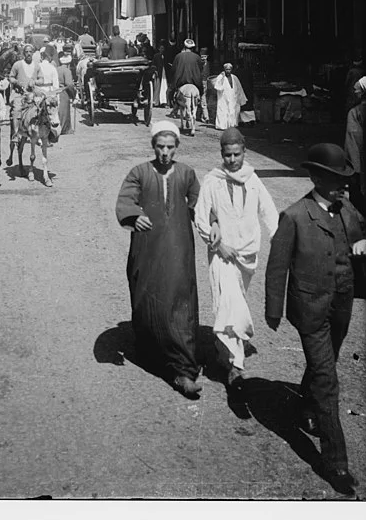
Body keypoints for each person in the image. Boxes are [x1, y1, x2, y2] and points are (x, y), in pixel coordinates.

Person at [265, 143, 366, 496]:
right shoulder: (295, 216)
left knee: (325, 362)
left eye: (345, 179)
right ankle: (336, 462)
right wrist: (273, 309)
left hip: (340, 305)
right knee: (327, 377)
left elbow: (361, 232)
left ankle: (307, 407)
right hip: (309, 308)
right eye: (337, 179)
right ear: (315, 178)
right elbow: (277, 266)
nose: (344, 185)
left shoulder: (346, 210)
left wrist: (363, 241)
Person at [114, 120, 204, 398]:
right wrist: (133, 214)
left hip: (179, 249)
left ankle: (184, 370)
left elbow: (200, 205)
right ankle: (153, 353)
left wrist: (213, 226)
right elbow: (126, 199)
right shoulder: (140, 172)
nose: (165, 152)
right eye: (160, 147)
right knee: (147, 297)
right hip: (148, 249)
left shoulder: (187, 173)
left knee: (180, 301)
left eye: (170, 147)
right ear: (153, 146)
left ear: (177, 147)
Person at [194, 128, 278, 385]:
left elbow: (269, 212)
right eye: (227, 155)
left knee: (233, 303)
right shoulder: (213, 180)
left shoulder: (253, 179)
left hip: (248, 253)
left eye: (236, 154)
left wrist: (281, 243)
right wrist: (217, 244)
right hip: (222, 254)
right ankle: (236, 366)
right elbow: (200, 217)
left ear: (244, 152)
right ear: (221, 154)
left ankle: (224, 354)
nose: (232, 160)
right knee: (230, 303)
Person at [6, 45, 38, 167]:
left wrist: (35, 82)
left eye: (30, 52)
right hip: (20, 94)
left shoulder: (37, 65)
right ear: (24, 53)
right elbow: (11, 77)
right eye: (26, 52)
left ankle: (45, 133)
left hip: (33, 94)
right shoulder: (18, 65)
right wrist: (17, 83)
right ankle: (15, 134)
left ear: (33, 53)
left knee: (43, 108)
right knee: (16, 109)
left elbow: (41, 79)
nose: (28, 54)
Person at [344, 77, 366, 213]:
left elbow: (353, 139)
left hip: (357, 163)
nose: (354, 92)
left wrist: (353, 165)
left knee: (357, 193)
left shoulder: (354, 112)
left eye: (356, 89)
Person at [211, 61, 248, 131]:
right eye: (226, 69)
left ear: (231, 70)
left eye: (229, 69)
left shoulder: (234, 77)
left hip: (233, 97)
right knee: (223, 111)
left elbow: (239, 88)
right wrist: (222, 79)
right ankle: (222, 126)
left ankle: (232, 125)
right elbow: (217, 87)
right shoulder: (220, 77)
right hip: (223, 97)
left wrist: (241, 97)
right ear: (224, 69)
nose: (228, 71)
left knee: (233, 111)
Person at [56, 52, 77, 136]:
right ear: (68, 63)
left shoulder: (56, 69)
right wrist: (73, 94)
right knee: (64, 112)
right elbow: (69, 84)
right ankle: (64, 129)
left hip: (56, 90)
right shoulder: (67, 70)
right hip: (63, 91)